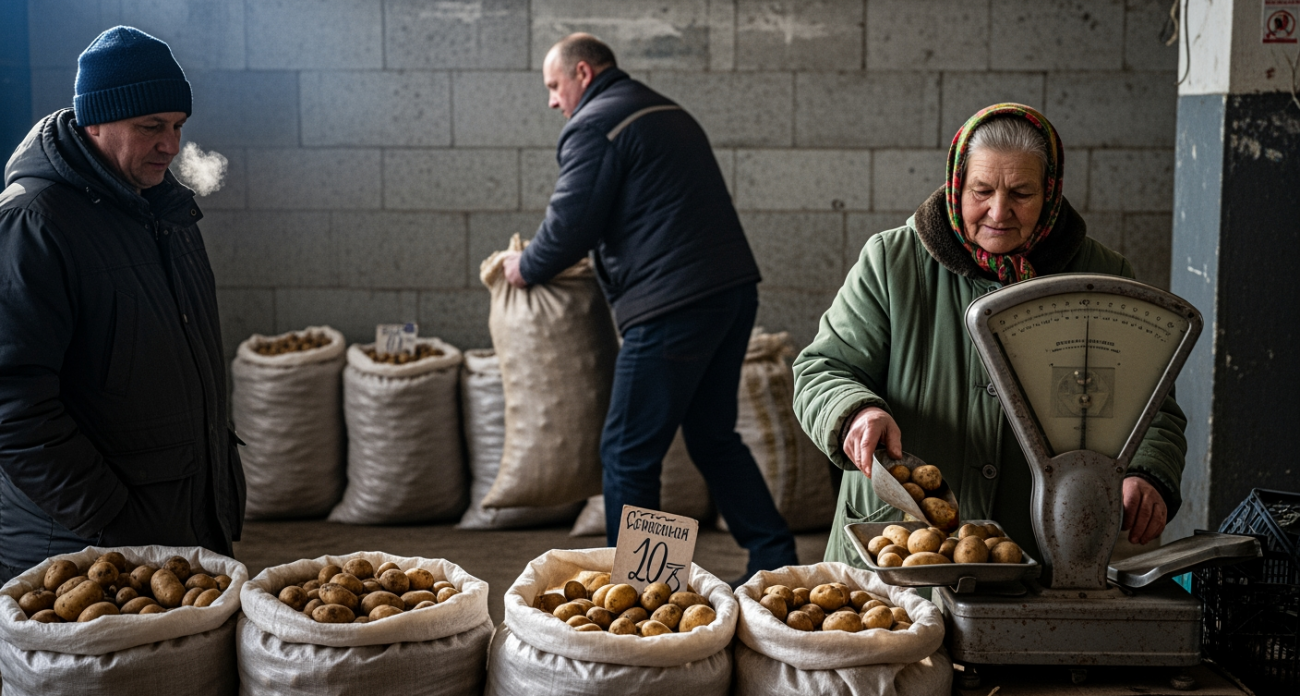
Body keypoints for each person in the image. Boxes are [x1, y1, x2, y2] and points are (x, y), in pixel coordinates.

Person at [792, 104, 1186, 565]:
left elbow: (1151, 405)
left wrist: (1145, 472)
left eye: (1021, 193)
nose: (999, 211)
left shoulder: (1100, 277)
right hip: (897, 548)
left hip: (1030, 548)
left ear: (1051, 193)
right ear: (957, 185)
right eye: (981, 190)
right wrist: (856, 412)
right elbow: (823, 369)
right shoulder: (892, 262)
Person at [501, 33, 798, 578]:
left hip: (673, 305)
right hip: (730, 291)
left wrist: (527, 266)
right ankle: (774, 559)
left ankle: (644, 588)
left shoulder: (594, 124)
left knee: (626, 452)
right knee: (712, 435)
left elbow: (571, 222)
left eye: (553, 85)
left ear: (583, 74)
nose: (551, 100)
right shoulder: (665, 110)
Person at [0, 27, 244, 582]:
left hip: (176, 526)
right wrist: (110, 517)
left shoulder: (162, 212)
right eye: (150, 127)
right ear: (96, 122)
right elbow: (12, 404)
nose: (172, 145)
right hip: (88, 553)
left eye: (178, 126)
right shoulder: (34, 223)